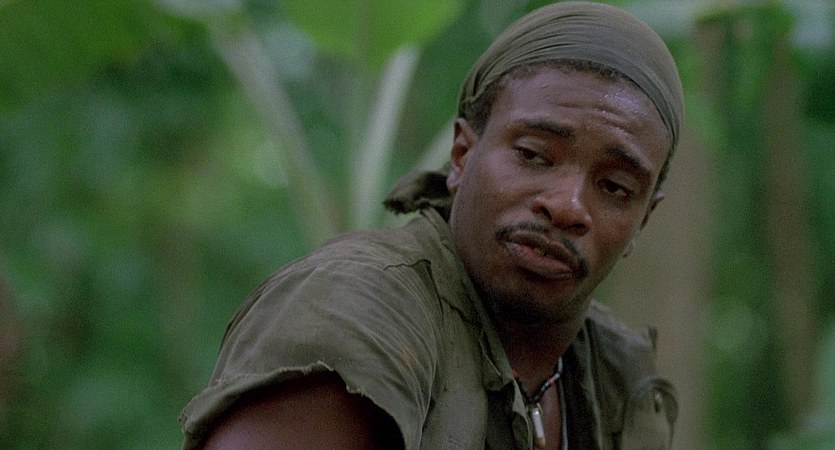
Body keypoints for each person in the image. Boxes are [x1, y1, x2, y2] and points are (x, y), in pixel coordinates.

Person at [180, 1, 685, 449]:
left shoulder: (613, 374)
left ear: (644, 219)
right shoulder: (357, 316)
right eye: (534, 155)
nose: (568, 205)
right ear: (462, 155)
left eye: (615, 186)